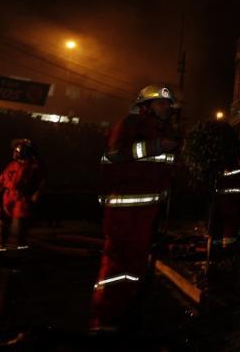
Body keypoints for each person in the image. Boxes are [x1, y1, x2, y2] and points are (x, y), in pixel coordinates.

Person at [90, 84, 180, 332]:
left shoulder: (166, 132)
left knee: (136, 264)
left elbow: (165, 172)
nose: (166, 107)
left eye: (168, 104)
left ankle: (125, 309)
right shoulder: (130, 125)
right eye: (160, 103)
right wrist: (156, 146)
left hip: (147, 211)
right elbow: (114, 155)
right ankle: (103, 318)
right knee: (116, 263)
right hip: (122, 208)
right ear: (146, 106)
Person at [0, 139, 46, 253]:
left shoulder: (34, 166)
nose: (15, 151)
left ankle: (14, 248)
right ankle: (0, 247)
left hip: (21, 198)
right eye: (15, 149)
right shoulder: (11, 165)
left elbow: (42, 181)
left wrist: (37, 194)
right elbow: (1, 182)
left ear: (27, 151)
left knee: (17, 222)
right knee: (1, 221)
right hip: (7, 197)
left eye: (19, 149)